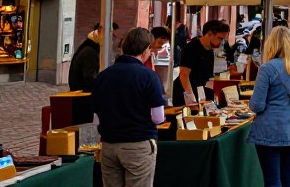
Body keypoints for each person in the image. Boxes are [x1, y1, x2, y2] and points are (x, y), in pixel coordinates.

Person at [92, 27, 165, 187]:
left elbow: (96, 117)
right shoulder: (149, 76)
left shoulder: (103, 76)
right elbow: (158, 118)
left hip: (109, 145)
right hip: (138, 144)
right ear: (146, 49)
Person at [248, 26, 290, 187]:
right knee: (288, 176)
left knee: (272, 180)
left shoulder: (267, 68)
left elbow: (257, 105)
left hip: (270, 130)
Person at [172, 20, 230, 106]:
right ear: (209, 34)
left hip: (198, 92)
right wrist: (191, 98)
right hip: (183, 93)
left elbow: (207, 78)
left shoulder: (210, 51)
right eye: (220, 38)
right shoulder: (191, 48)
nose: (221, 42)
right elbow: (184, 74)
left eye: (223, 40)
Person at [69, 22, 119, 92]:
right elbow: (90, 79)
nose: (113, 40)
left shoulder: (90, 46)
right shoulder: (90, 52)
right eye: (112, 36)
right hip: (83, 95)